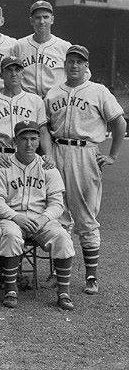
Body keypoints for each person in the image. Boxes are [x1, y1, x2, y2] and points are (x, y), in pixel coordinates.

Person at [44, 45, 126, 295]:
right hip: (58, 151)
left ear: (86, 65)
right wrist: (48, 154)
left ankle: (91, 276)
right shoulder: (53, 92)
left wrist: (112, 155)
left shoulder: (98, 91)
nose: (75, 65)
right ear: (65, 64)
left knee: (86, 217)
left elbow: (119, 122)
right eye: (71, 61)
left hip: (85, 152)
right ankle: (61, 272)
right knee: (59, 215)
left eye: (80, 61)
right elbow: (45, 126)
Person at [0, 120, 75, 310]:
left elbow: (57, 203)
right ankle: (11, 290)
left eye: (34, 139)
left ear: (38, 141)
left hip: (41, 218)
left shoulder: (47, 167)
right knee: (10, 235)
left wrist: (43, 219)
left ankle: (63, 293)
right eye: (24, 139)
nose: (29, 144)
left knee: (62, 237)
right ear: (14, 141)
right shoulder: (2, 165)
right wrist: (15, 217)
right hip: (13, 217)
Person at [0, 56, 50, 167]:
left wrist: (49, 155)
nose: (13, 74)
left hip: (28, 156)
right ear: (1, 75)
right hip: (0, 156)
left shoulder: (35, 100)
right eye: (9, 70)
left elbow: (43, 132)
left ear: (23, 74)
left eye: (17, 70)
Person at [11, 0, 72, 97]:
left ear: (52, 19)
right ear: (31, 21)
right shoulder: (19, 45)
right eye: (38, 18)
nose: (42, 21)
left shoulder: (64, 46)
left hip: (55, 99)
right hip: (27, 100)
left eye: (46, 17)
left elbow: (84, 74)